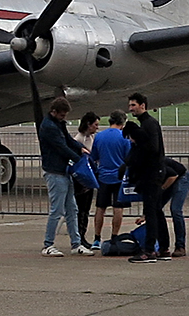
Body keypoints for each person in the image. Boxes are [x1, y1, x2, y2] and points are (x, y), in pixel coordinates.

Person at [37, 98, 91, 256]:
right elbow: (61, 147)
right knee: (57, 210)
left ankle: (76, 243)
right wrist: (78, 159)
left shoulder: (58, 124)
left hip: (63, 171)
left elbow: (67, 139)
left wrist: (81, 148)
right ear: (53, 112)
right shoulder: (48, 127)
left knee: (72, 208)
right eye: (62, 115)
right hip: (54, 172)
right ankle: (48, 244)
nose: (64, 118)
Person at [125, 94, 169, 262]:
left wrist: (137, 139)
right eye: (130, 105)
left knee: (151, 212)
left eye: (134, 105)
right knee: (157, 211)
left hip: (153, 173)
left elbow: (153, 148)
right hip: (153, 172)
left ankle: (149, 250)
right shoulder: (146, 124)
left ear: (143, 105)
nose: (131, 108)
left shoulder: (149, 124)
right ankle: (164, 248)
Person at [88, 112, 131, 248]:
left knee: (100, 208)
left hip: (103, 176)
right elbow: (129, 157)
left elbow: (93, 156)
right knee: (118, 208)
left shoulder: (99, 136)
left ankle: (96, 237)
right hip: (119, 177)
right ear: (122, 123)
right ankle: (114, 236)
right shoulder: (124, 137)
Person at [73, 112, 100, 241]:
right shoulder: (79, 139)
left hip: (90, 176)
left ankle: (82, 234)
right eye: (95, 125)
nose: (97, 127)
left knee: (86, 208)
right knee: (81, 208)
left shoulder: (93, 138)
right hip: (82, 177)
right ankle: (79, 236)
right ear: (88, 125)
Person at [160, 156, 189, 257]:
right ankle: (161, 245)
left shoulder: (157, 162)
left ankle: (180, 246)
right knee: (156, 208)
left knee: (176, 210)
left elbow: (173, 175)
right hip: (168, 179)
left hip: (181, 177)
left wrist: (163, 188)